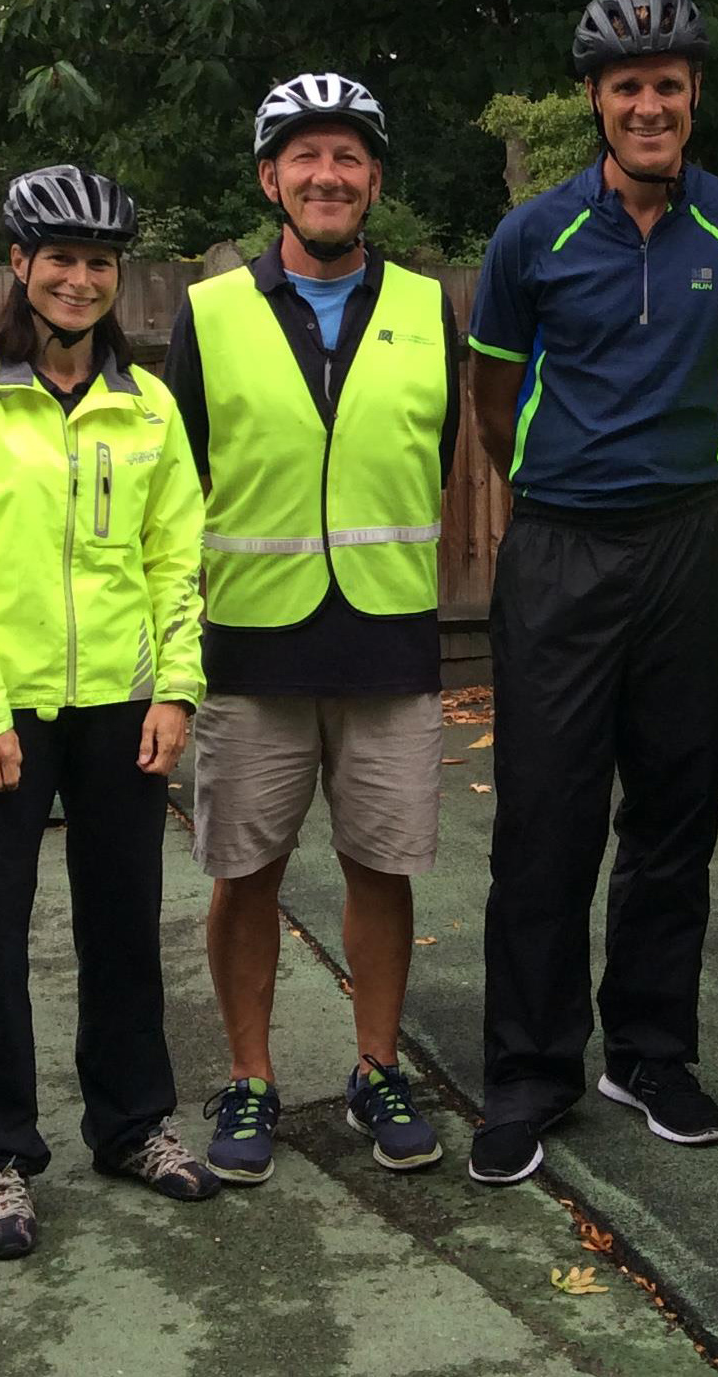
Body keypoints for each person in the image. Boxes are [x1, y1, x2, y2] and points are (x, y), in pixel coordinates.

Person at [467, 0, 718, 1186]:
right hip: (558, 550)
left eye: (667, 83)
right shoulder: (533, 236)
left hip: (685, 547)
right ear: (596, 103)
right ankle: (530, 1070)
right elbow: (493, 400)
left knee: (676, 808)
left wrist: (704, 474)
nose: (648, 103)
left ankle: (650, 1051)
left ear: (693, 93)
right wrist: (562, 487)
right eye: (626, 86)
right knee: (544, 818)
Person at [0, 165, 216, 1259]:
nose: (80, 279)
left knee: (125, 920)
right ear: (21, 267)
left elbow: (177, 556)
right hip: (0, 713)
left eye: (99, 261)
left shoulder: (150, 403)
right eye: (60, 258)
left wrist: (176, 688)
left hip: (122, 706)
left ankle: (132, 1124)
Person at [165, 72, 460, 1184]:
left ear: (374, 180)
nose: (327, 175)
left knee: (382, 869)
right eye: (304, 157)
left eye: (347, 157)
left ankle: (375, 1067)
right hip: (252, 644)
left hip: (389, 639)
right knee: (246, 873)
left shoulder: (431, 308)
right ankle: (250, 1078)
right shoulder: (208, 313)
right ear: (268, 180)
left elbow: (428, 463)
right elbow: (181, 478)